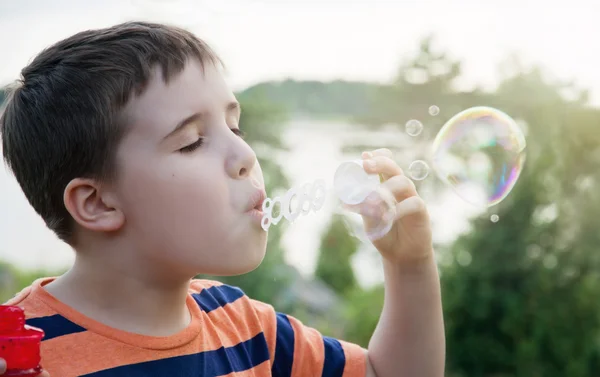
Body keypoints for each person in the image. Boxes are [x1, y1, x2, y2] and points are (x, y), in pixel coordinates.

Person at [0, 21, 445, 377]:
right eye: (192, 142)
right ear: (98, 204)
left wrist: (410, 264)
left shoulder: (247, 328)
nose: (245, 156)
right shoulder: (21, 351)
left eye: (236, 128)